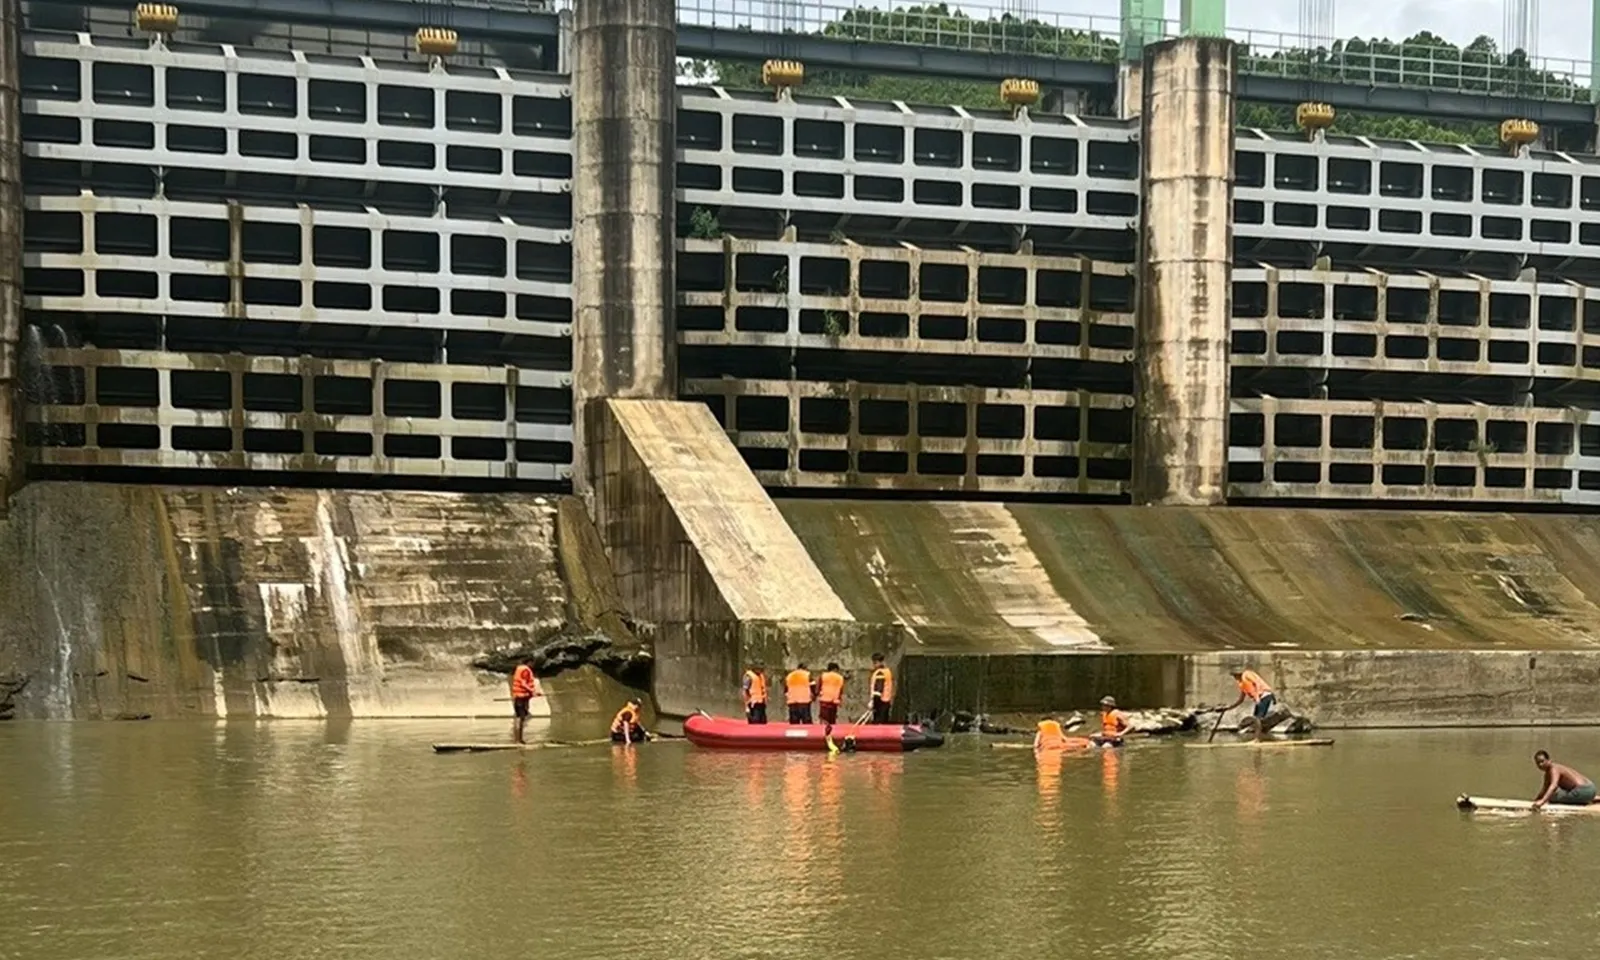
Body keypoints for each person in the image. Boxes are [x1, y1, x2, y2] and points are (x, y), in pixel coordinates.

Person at [1221, 665, 1279, 741]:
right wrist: (1230, 707)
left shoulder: (1247, 674)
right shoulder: (1242, 683)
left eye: (1236, 675)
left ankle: (1257, 739)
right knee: (1255, 718)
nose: (1235, 677)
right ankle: (1260, 737)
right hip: (1260, 698)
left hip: (1265, 695)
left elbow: (1257, 683)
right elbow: (1241, 699)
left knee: (1257, 719)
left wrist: (1257, 697)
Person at [1532, 750, 1598, 808]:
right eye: (1538, 763)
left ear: (1549, 760)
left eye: (1542, 761)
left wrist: (1542, 801)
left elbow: (1553, 786)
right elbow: (1545, 789)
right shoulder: (1549, 773)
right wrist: (1537, 799)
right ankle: (1593, 798)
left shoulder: (1554, 769)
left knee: (1553, 796)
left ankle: (1587, 798)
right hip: (1591, 788)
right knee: (1550, 794)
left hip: (1584, 790)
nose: (1540, 764)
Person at [509, 658, 542, 744]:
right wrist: (533, 691)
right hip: (521, 696)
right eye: (533, 663)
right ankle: (519, 740)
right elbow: (523, 683)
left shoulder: (519, 668)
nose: (533, 665)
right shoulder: (525, 669)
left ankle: (518, 739)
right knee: (521, 718)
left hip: (519, 696)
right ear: (529, 662)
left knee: (520, 717)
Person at [869, 653, 894, 724]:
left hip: (880, 701)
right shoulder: (887, 671)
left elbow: (878, 689)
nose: (874, 665)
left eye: (875, 663)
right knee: (884, 722)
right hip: (886, 700)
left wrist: (873, 702)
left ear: (881, 662)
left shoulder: (880, 673)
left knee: (878, 722)